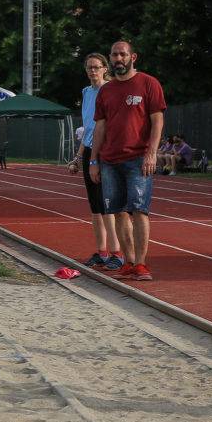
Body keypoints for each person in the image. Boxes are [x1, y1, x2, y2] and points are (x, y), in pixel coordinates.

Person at [90, 40, 166, 281]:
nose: (118, 59)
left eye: (122, 54)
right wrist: (94, 159)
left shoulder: (149, 84)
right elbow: (99, 127)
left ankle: (142, 264)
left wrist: (152, 153)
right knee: (119, 212)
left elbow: (157, 121)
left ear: (133, 57)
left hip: (138, 159)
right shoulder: (106, 90)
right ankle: (129, 261)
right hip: (109, 160)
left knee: (139, 211)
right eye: (114, 55)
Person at [69, 53, 122, 270]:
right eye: (89, 68)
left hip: (106, 150)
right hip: (90, 148)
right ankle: (102, 251)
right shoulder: (86, 92)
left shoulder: (111, 90)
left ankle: (117, 252)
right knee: (95, 206)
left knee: (108, 204)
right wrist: (78, 156)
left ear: (104, 69)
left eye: (96, 67)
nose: (92, 71)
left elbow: (108, 125)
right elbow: (88, 129)